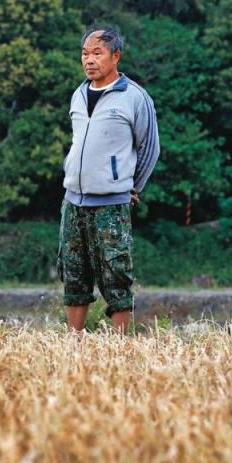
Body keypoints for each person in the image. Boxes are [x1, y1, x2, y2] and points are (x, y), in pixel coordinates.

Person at [57, 26, 160, 334]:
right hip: (73, 200)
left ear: (116, 56)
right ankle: (72, 342)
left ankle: (118, 345)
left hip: (111, 203)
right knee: (73, 272)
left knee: (116, 272)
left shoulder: (134, 97)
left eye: (97, 53)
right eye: (85, 54)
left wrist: (132, 187)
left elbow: (150, 148)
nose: (89, 60)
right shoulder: (78, 93)